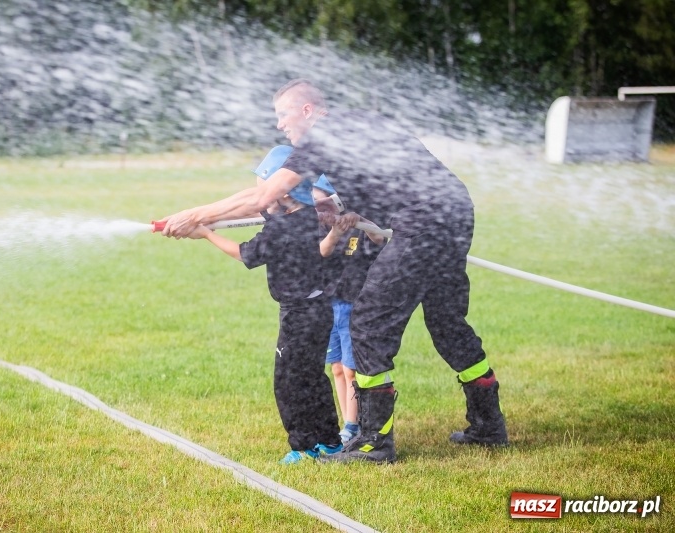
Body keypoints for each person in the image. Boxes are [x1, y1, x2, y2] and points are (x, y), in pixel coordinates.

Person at [160, 79, 508, 464]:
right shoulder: (359, 124)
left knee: (369, 323)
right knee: (446, 321)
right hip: (456, 211)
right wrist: (335, 207)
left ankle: (374, 444)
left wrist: (194, 215)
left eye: (282, 115)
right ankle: (488, 424)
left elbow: (263, 197)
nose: (280, 126)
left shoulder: (321, 138)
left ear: (307, 111)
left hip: (422, 223)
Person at [180, 145, 343, 464]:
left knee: (288, 381)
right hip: (319, 307)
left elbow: (246, 254)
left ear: (284, 191)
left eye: (265, 185)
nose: (261, 192)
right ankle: (330, 441)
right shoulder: (307, 216)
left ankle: (303, 446)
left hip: (298, 314)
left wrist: (206, 234)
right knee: (312, 375)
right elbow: (262, 211)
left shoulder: (282, 227)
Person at [313, 175, 386, 444]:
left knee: (351, 369)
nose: (318, 205)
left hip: (353, 304)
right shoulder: (323, 226)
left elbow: (379, 237)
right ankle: (347, 425)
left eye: (322, 199)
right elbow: (321, 252)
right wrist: (334, 231)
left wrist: (360, 222)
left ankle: (352, 425)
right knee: (336, 369)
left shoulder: (359, 221)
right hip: (329, 303)